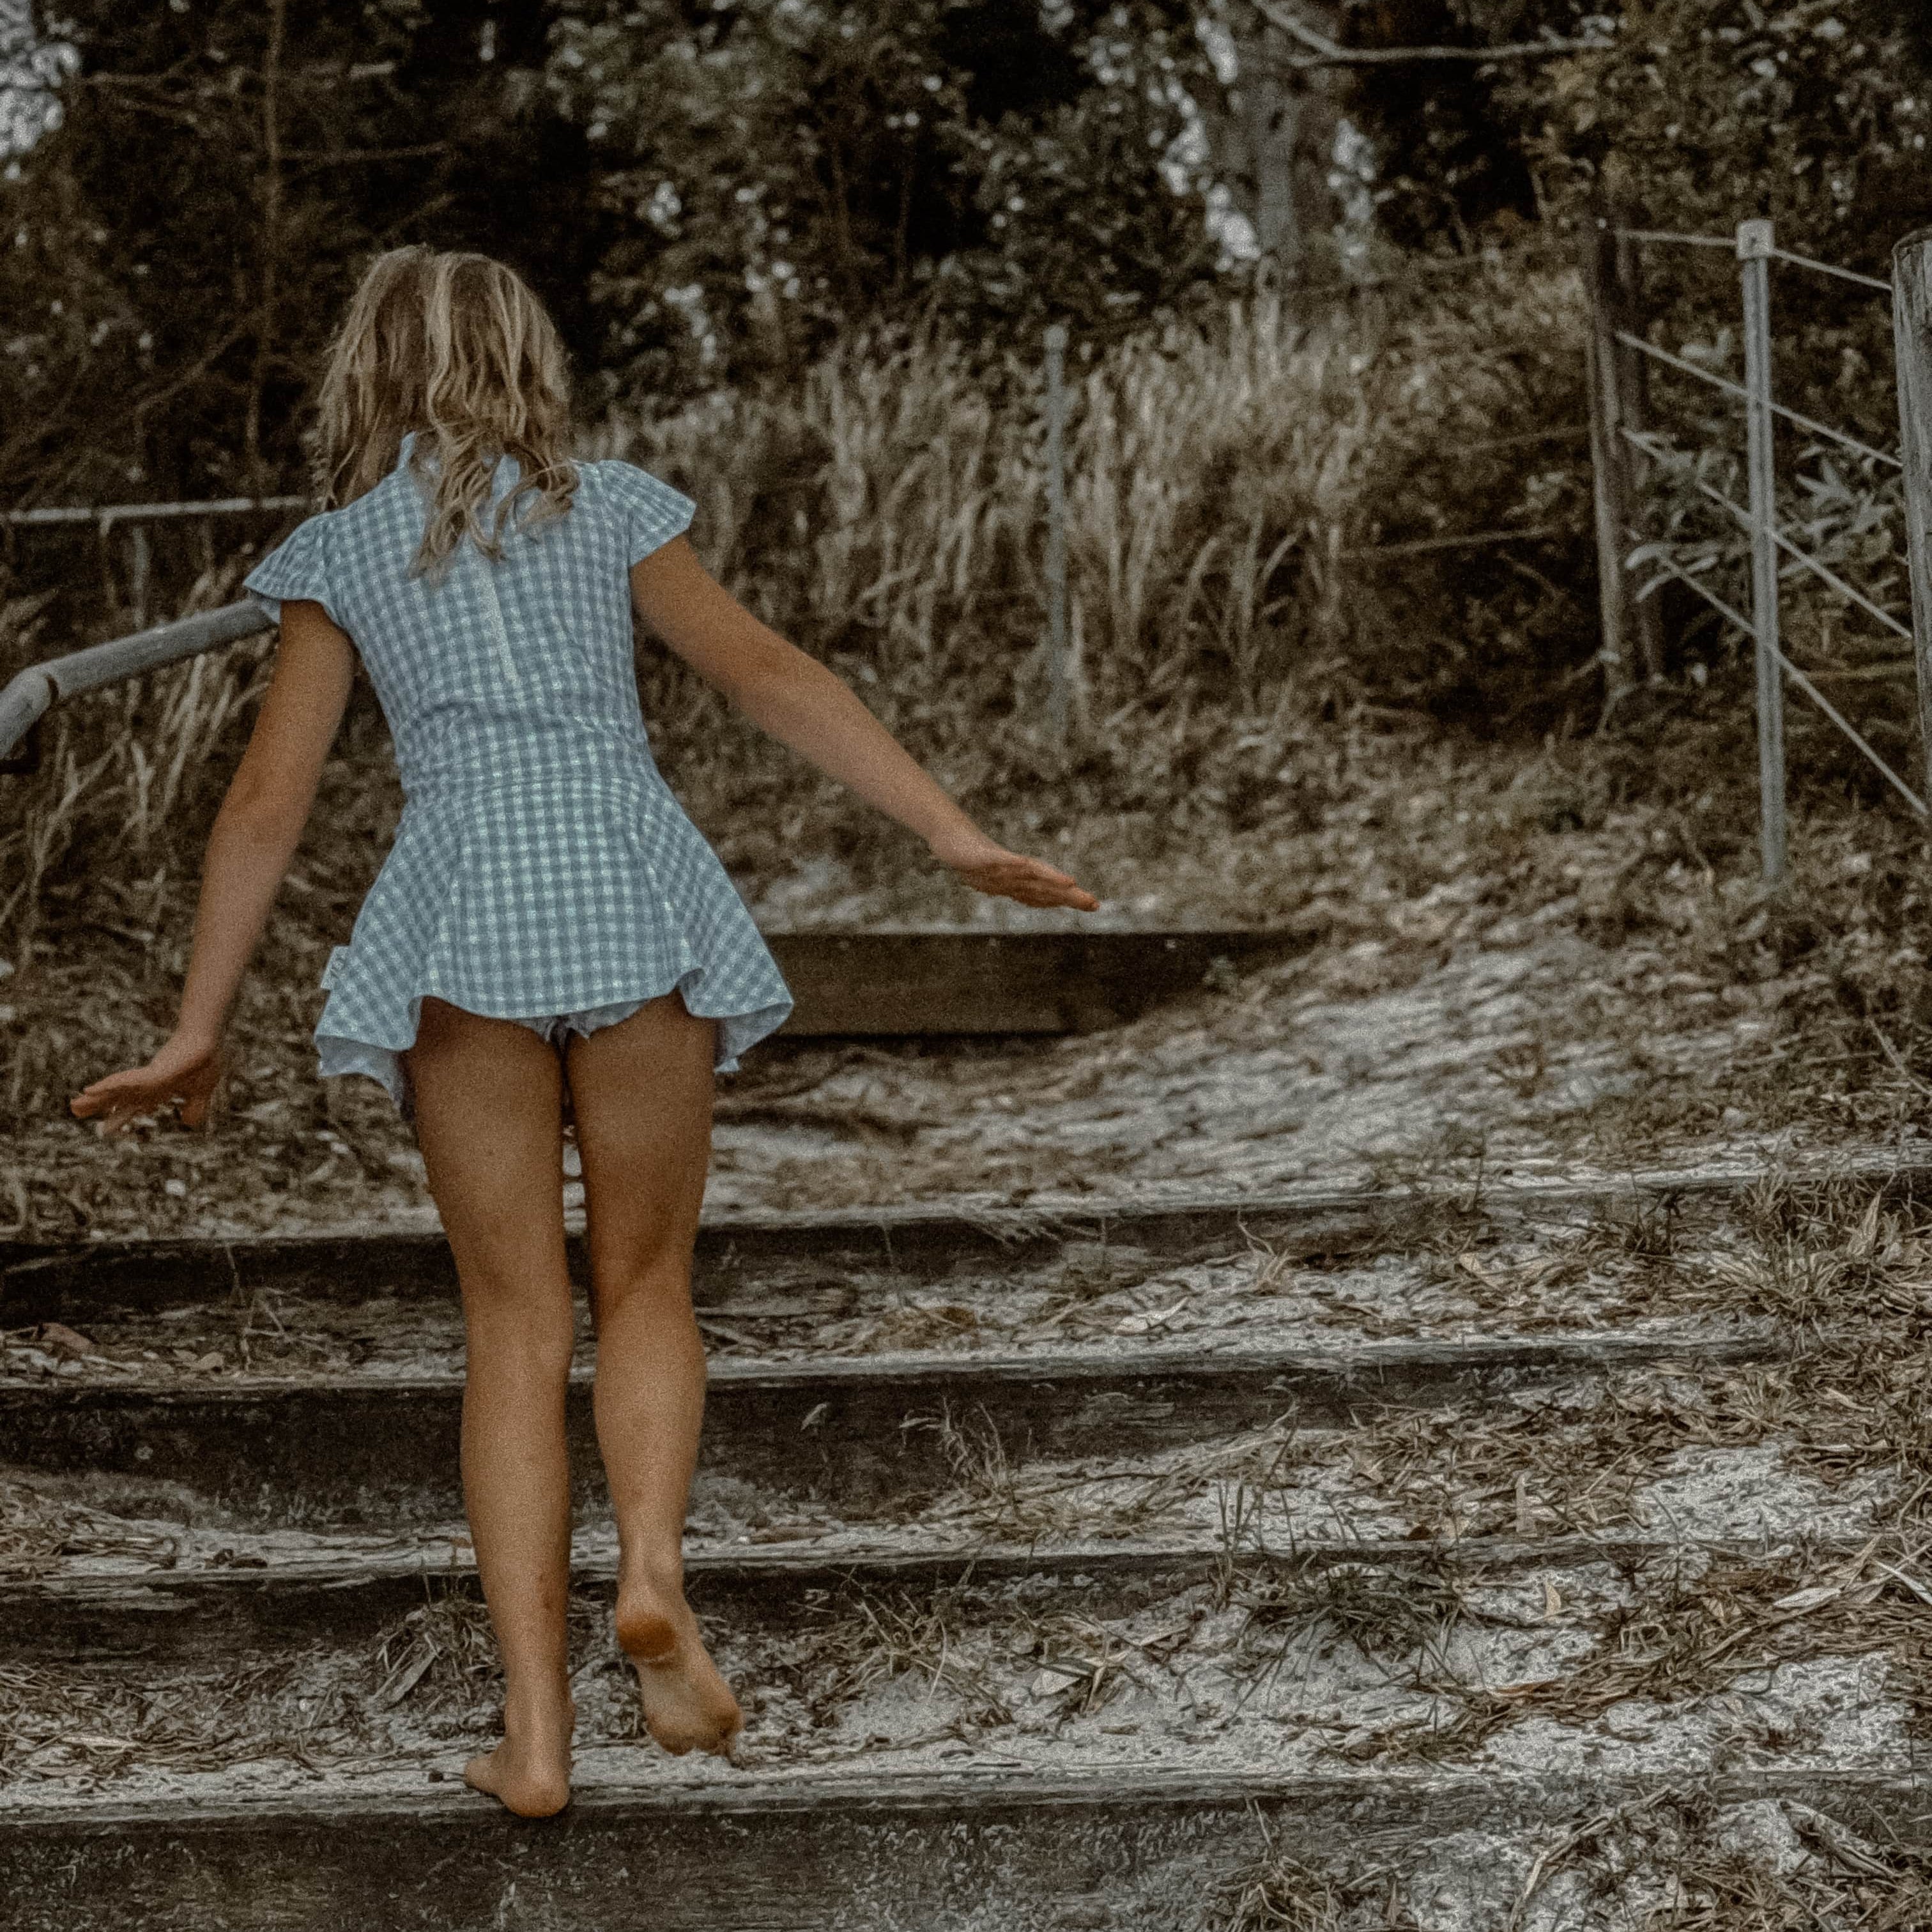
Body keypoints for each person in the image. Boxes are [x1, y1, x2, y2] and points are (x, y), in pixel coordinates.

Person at [68, 245, 1098, 1818]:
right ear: (526, 358)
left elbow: (265, 805)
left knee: (514, 1325)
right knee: (646, 1279)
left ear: (374, 372)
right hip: (626, 887)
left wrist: (199, 1027)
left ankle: (536, 1738)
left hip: (462, 917)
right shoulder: (609, 507)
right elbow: (765, 674)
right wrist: (946, 832)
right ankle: (656, 1571)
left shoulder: (340, 554)